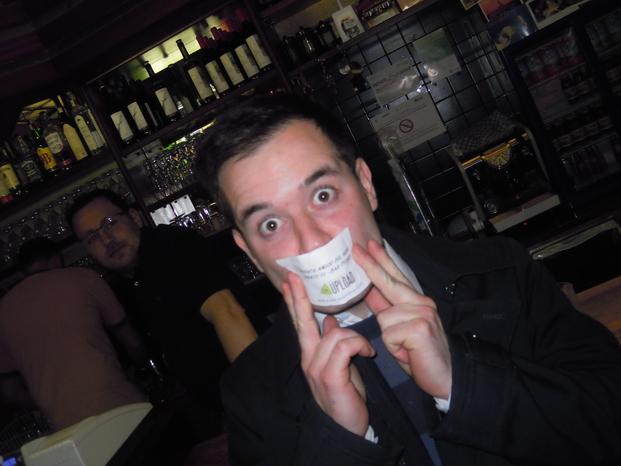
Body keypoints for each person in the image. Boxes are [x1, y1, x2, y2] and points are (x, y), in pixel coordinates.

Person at [194, 93, 621, 465]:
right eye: (271, 225)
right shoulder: (250, 392)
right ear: (249, 250)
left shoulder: (501, 273)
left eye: (323, 195)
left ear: (366, 185)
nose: (312, 242)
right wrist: (339, 441)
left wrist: (462, 380)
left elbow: (609, 422)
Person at [65, 189, 271, 423]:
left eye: (110, 223)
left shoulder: (171, 246)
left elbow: (227, 312)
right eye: (92, 238)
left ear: (134, 217)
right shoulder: (127, 285)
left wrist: (265, 400)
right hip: (231, 409)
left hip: (263, 395)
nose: (106, 240)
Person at [0, 238, 149, 432]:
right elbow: (134, 345)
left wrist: (55, 402)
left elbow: (11, 394)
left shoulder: (3, 310)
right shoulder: (85, 278)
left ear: (21, 272)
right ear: (57, 259)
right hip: (121, 407)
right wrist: (143, 372)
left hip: (68, 430)